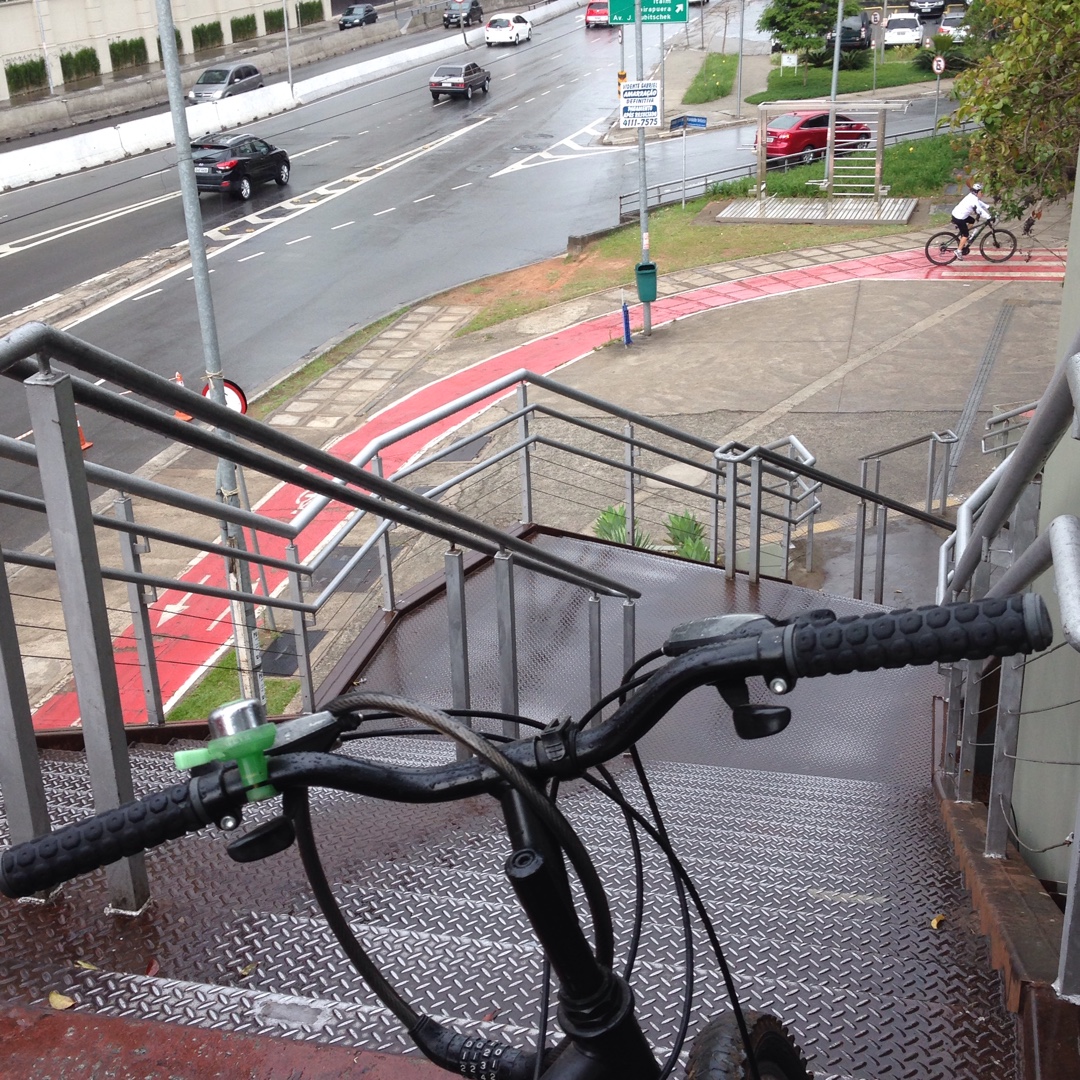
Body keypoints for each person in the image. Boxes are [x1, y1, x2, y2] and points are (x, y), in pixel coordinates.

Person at [950, 183, 992, 259]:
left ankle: (964, 236)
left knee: (972, 220)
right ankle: (958, 251)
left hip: (957, 214)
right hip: (959, 218)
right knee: (966, 234)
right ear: (978, 192)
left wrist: (988, 207)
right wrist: (988, 217)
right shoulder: (973, 200)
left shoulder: (971, 196)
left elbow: (979, 203)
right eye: (981, 192)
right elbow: (979, 210)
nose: (982, 194)